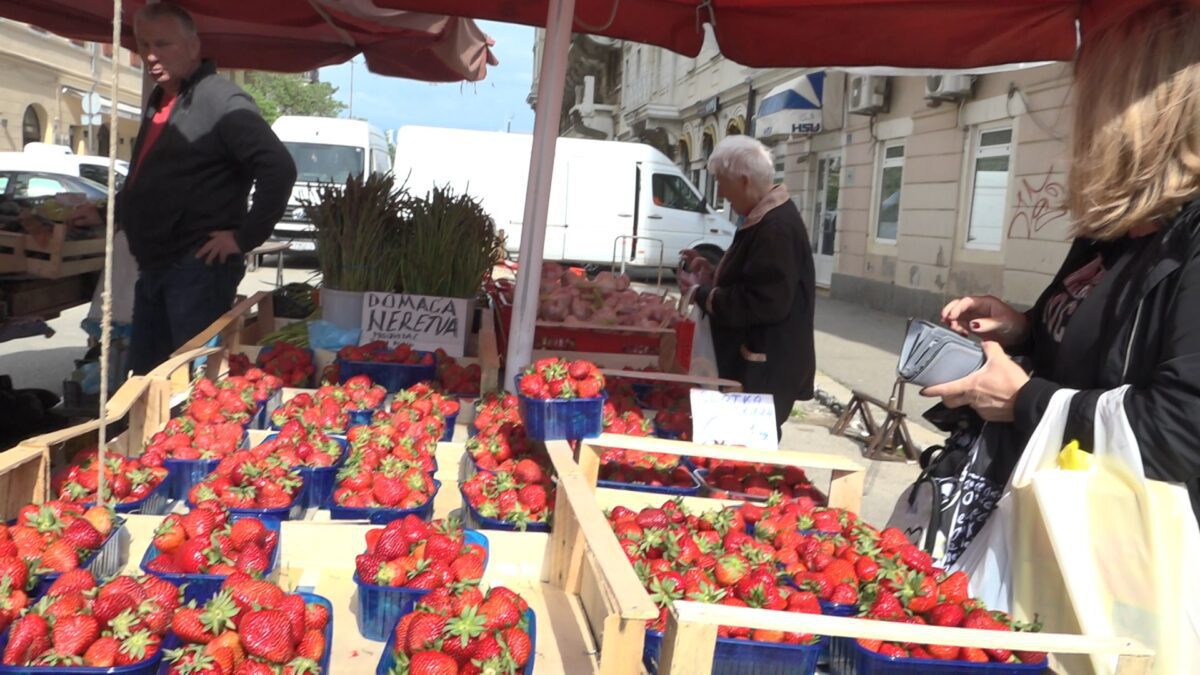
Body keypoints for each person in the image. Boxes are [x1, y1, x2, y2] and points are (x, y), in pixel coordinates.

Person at [922, 4, 1200, 517]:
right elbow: (1090, 352)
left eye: (1089, 93)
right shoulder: (1113, 228)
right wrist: (1023, 329)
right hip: (1043, 514)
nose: (1077, 119)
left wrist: (1026, 401)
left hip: (1121, 546)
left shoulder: (1189, 241)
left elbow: (1179, 431)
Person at [119, 2, 296, 375]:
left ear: (193, 47)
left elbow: (278, 167)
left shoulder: (219, 98)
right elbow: (150, 182)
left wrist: (244, 237)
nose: (150, 55)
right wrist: (106, 212)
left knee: (191, 383)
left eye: (163, 44)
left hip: (195, 270)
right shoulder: (161, 101)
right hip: (156, 268)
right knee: (149, 381)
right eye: (144, 44)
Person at [679, 135, 816, 438]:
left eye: (721, 182)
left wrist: (701, 294)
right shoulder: (765, 217)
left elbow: (764, 301)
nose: (721, 193)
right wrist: (713, 272)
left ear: (743, 181)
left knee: (748, 446)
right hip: (760, 365)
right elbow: (755, 276)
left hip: (765, 369)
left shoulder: (776, 226)